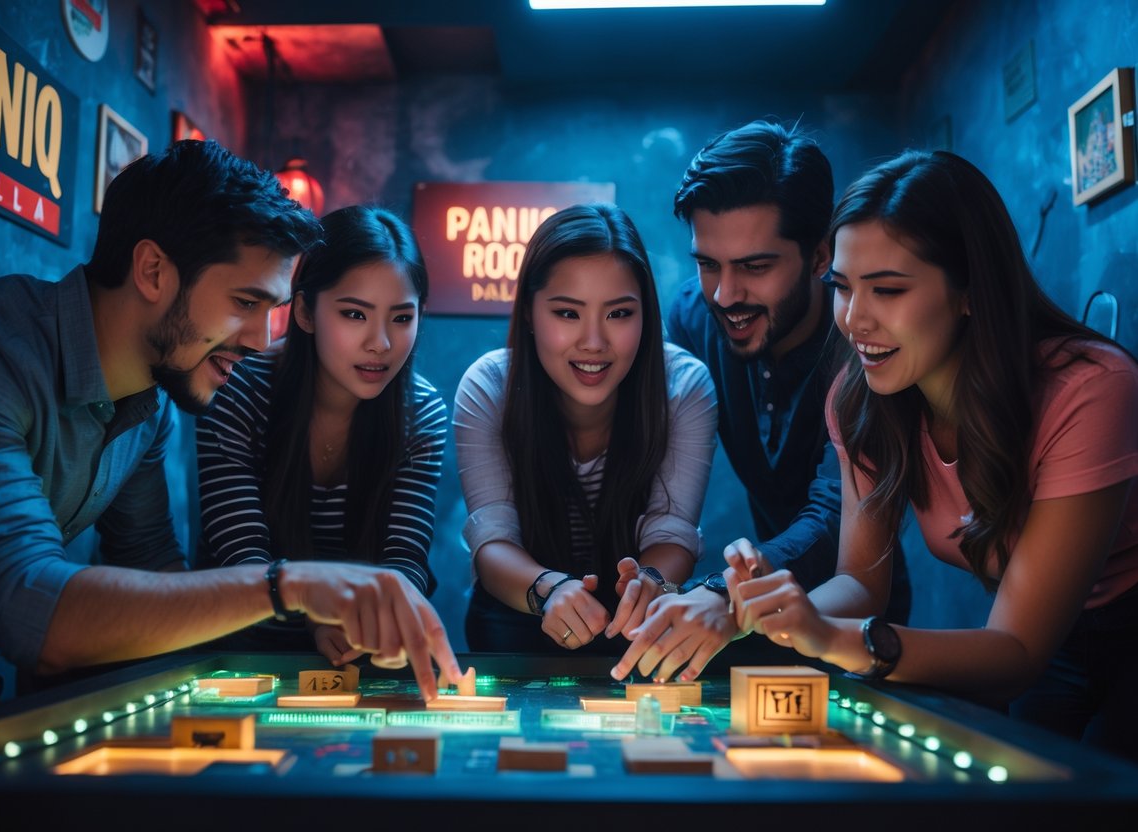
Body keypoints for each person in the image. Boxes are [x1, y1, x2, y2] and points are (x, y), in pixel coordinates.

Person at [0, 140, 460, 713]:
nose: (260, 340)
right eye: (245, 302)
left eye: (269, 310)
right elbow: (34, 614)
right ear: (153, 270)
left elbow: (152, 569)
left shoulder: (146, 403)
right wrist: (294, 587)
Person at [725, 149, 1138, 762]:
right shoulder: (859, 399)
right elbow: (860, 586)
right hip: (1041, 640)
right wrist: (782, 608)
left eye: (887, 290)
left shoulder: (1091, 388)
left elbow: (1017, 653)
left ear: (970, 290)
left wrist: (835, 638)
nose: (854, 320)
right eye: (841, 288)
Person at [613, 119, 909, 684]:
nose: (726, 295)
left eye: (755, 267)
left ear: (821, 255)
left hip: (856, 619)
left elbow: (833, 517)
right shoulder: (692, 320)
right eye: (707, 265)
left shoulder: (869, 348)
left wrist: (726, 591)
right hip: (745, 613)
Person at [454, 203, 717, 655]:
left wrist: (648, 585)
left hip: (637, 625)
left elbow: (671, 534)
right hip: (516, 617)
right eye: (568, 314)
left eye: (618, 314)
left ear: (645, 316)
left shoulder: (684, 387)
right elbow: (492, 539)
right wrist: (550, 590)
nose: (594, 342)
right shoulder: (489, 386)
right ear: (531, 315)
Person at [196, 205, 447, 667]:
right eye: (354, 314)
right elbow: (241, 558)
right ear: (307, 311)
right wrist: (314, 614)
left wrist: (365, 622)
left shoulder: (421, 410)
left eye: (401, 318)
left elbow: (405, 559)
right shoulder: (241, 387)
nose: (381, 343)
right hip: (240, 647)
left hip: (364, 649)